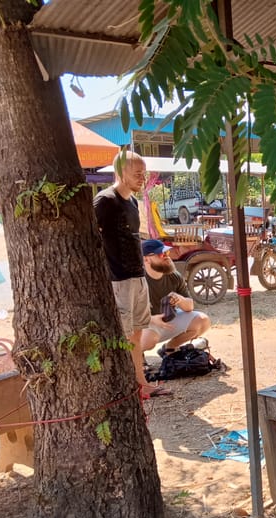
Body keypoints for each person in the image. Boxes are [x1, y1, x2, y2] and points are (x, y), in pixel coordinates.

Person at [94, 150, 166, 398]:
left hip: (137, 277)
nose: (141, 179)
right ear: (120, 172)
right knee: (124, 337)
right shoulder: (105, 201)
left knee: (136, 334)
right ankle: (124, 388)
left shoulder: (133, 202)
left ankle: (141, 384)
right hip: (118, 279)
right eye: (137, 174)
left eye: (143, 174)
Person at [139, 239, 211, 358]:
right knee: (149, 339)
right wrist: (151, 319)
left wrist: (180, 300)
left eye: (167, 253)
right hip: (147, 324)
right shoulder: (138, 281)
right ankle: (138, 358)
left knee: (203, 321)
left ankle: (169, 348)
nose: (167, 257)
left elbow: (190, 307)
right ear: (146, 259)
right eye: (161, 254)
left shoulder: (174, 276)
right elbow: (128, 314)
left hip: (169, 320)